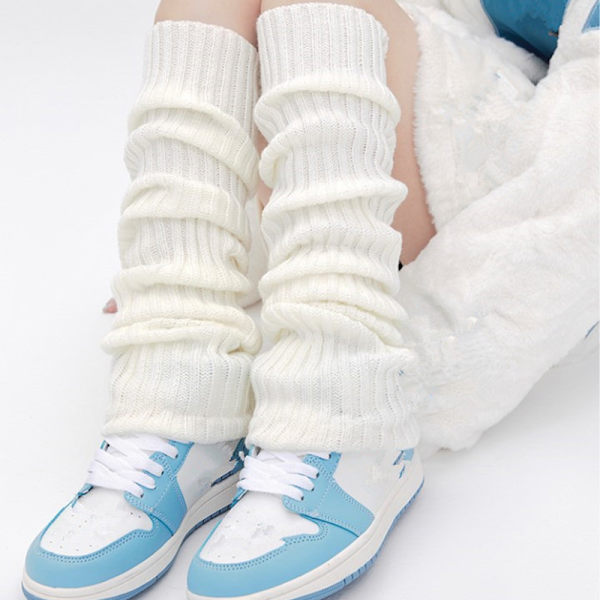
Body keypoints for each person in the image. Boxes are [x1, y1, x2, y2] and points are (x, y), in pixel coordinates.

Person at [22, 1, 598, 599]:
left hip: (525, 179)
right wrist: (183, 277)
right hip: (382, 134)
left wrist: (389, 385)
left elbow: (579, 192)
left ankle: (340, 396)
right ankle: (179, 385)